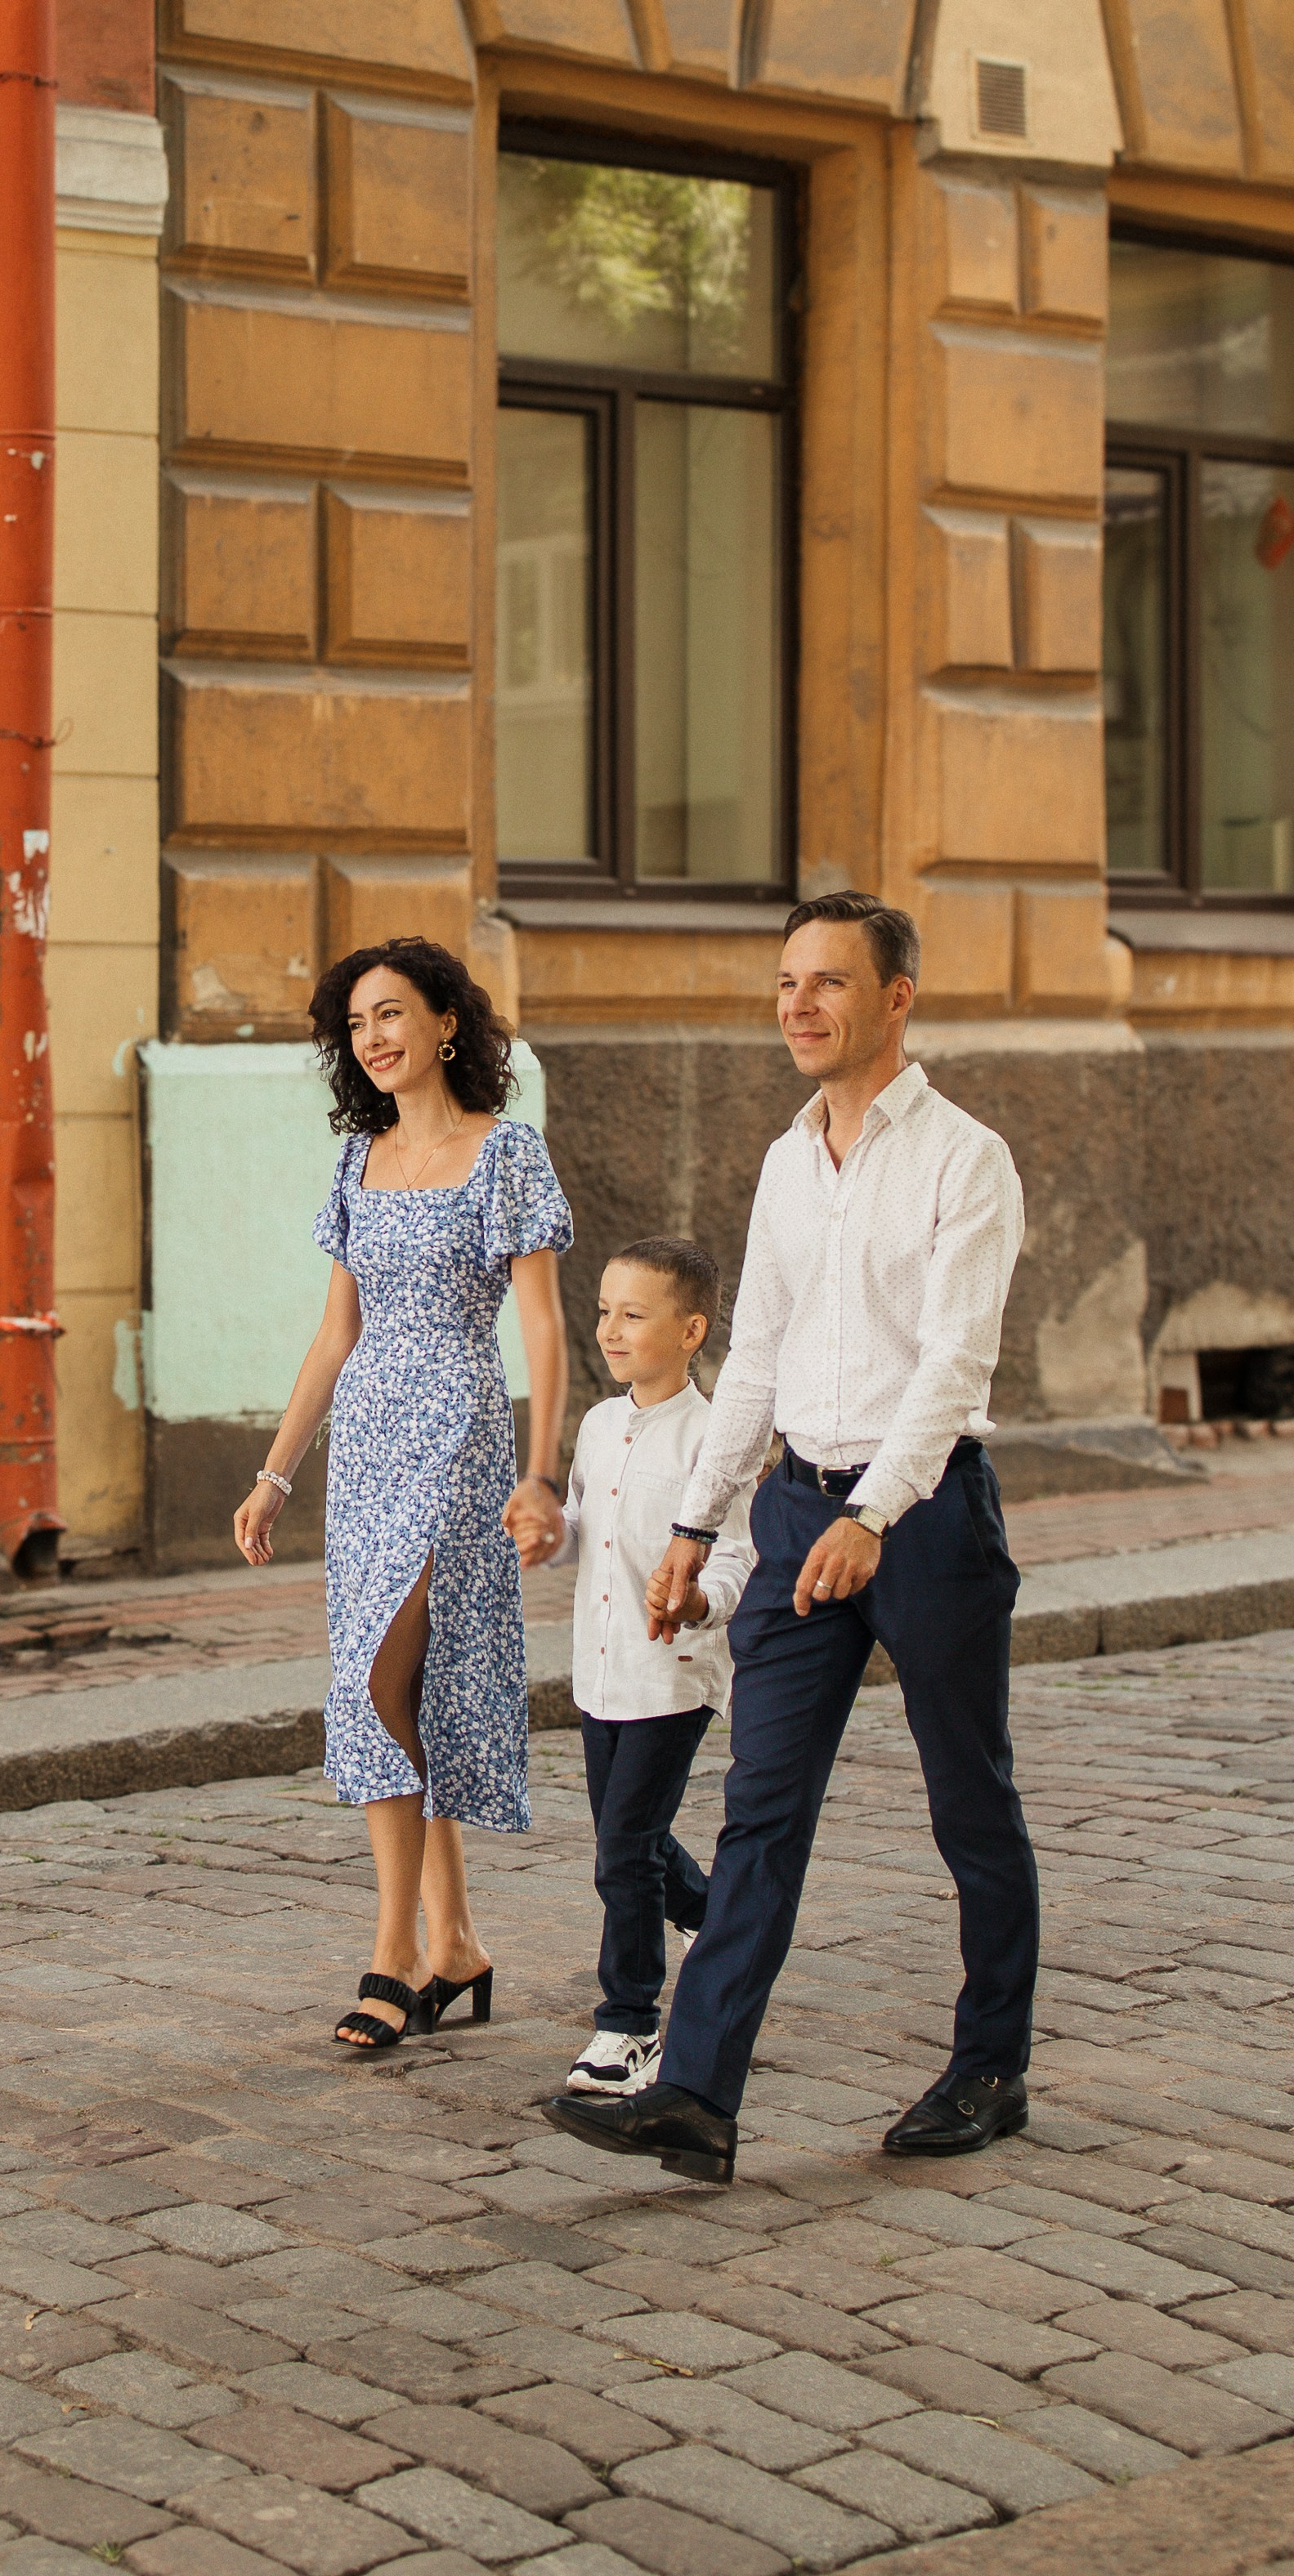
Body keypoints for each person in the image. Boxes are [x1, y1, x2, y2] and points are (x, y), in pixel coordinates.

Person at [547, 892, 1034, 2185]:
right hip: (793, 1512)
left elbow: (955, 1362)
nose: (800, 1007)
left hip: (922, 1516)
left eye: (827, 983)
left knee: (968, 1799)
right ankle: (698, 2095)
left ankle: (991, 2064)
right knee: (760, 1810)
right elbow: (752, 1357)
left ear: (895, 999)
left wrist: (879, 1512)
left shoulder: (963, 1160)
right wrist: (694, 1527)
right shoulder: (781, 1162)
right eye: (785, 985)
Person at [235, 936, 571, 2052]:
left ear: (446, 1025)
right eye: (356, 1026)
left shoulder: (506, 1155)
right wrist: (277, 1471)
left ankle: (390, 1955)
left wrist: (540, 1471)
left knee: (379, 1679)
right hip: (369, 1447)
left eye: (391, 1015)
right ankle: (458, 1944)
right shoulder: (357, 1163)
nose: (373, 1039)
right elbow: (334, 1339)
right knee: (396, 1690)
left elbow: (543, 1328)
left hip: (461, 1436)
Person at [509, 1237, 754, 2098]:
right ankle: (715, 1916)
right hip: (600, 1672)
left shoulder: (716, 1439)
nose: (610, 1329)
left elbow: (734, 1558)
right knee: (630, 1839)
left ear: (690, 1331)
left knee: (622, 1855)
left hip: (671, 1675)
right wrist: (549, 1534)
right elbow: (581, 1522)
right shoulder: (598, 1425)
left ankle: (628, 2025)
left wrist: (696, 1602)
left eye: (634, 1315)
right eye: (605, 1310)